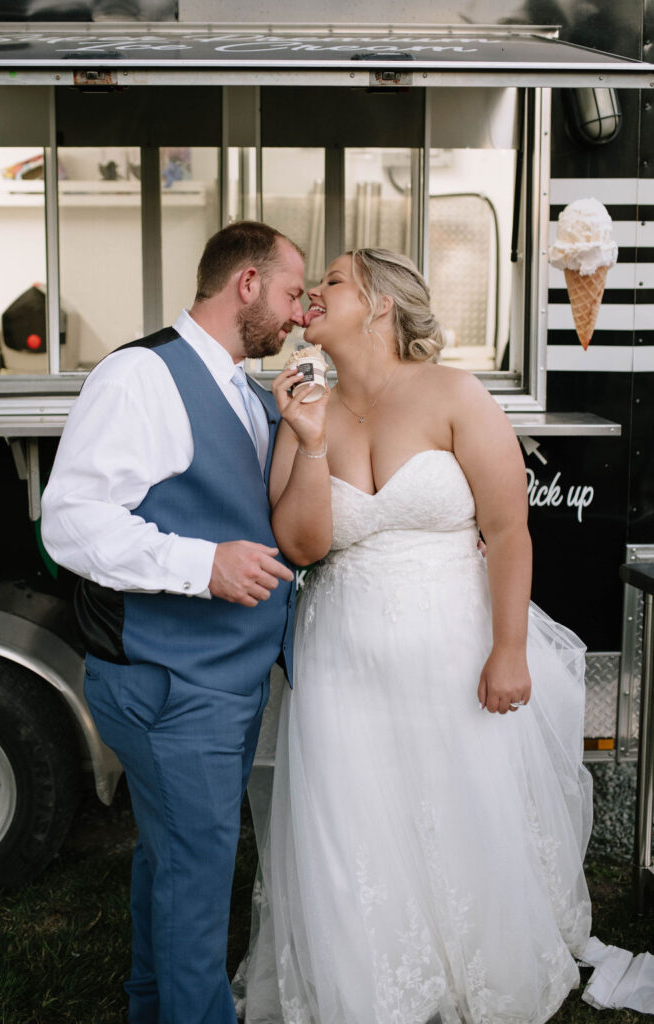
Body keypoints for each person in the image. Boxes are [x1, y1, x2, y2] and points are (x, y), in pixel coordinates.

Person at [236, 248, 592, 1024]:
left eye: (330, 281)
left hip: (452, 647)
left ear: (379, 305)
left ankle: (472, 964)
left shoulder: (453, 393)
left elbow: (507, 531)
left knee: (456, 805)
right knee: (350, 816)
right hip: (339, 657)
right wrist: (308, 434)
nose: (311, 296)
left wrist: (506, 650)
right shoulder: (303, 402)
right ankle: (367, 980)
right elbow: (299, 546)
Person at [41, 221, 306, 1024]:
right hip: (171, 686)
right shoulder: (139, 377)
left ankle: (149, 1005)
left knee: (171, 861)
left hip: (215, 683)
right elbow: (72, 521)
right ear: (247, 285)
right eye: (292, 294)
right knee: (196, 875)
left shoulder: (243, 387)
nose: (298, 315)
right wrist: (205, 565)